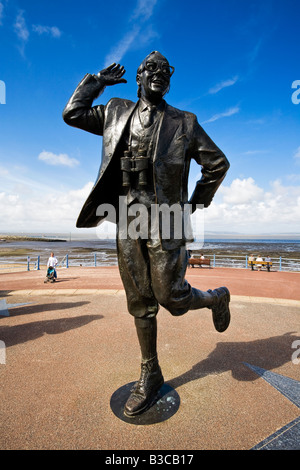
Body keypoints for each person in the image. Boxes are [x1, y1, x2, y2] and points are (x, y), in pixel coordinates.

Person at [63, 51, 231, 417]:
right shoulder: (114, 111)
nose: (159, 74)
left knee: (170, 296)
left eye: (165, 70)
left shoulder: (184, 122)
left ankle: (216, 298)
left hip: (167, 217)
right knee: (139, 299)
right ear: (139, 76)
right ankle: (150, 372)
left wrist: (193, 204)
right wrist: (97, 82)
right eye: (151, 68)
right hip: (128, 216)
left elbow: (217, 163)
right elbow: (72, 113)